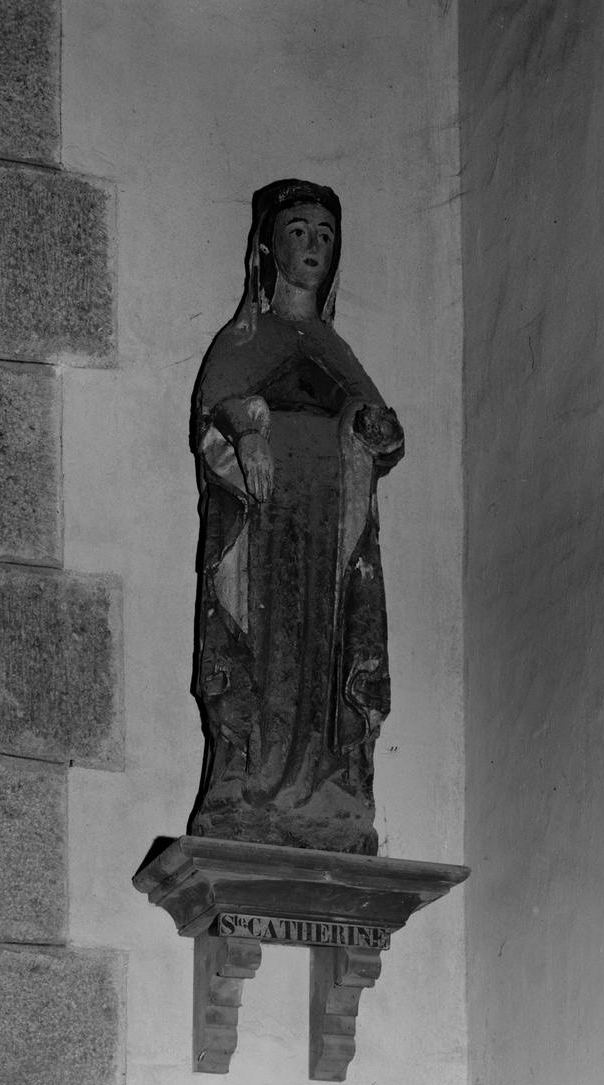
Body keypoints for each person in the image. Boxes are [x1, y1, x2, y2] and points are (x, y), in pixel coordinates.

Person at [189, 179, 404, 856]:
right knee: (265, 650)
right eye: (299, 231)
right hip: (266, 537)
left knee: (325, 658)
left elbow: (379, 429)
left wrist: (370, 428)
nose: (314, 244)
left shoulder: (334, 348)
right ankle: (247, 784)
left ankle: (330, 789)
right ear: (267, 246)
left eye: (325, 234)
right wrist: (248, 431)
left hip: (329, 539)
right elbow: (215, 415)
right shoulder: (245, 339)